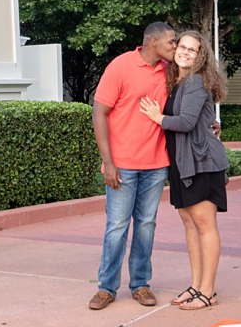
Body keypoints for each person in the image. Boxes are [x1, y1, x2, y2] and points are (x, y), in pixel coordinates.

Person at [88, 22, 177, 311]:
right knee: (116, 227)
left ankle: (140, 284)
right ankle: (106, 287)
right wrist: (108, 162)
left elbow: (182, 109)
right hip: (123, 165)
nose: (174, 47)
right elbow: (99, 114)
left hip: (156, 165)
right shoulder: (121, 66)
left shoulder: (170, 71)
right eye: (171, 43)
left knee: (146, 226)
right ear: (152, 42)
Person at [138, 30, 229, 311]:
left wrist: (158, 117)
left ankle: (208, 291)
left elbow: (187, 122)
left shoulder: (195, 81)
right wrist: (212, 122)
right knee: (190, 225)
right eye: (183, 47)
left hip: (201, 163)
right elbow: (201, 116)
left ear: (200, 56)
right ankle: (196, 285)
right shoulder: (178, 81)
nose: (185, 52)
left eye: (193, 50)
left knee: (204, 226)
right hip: (182, 162)